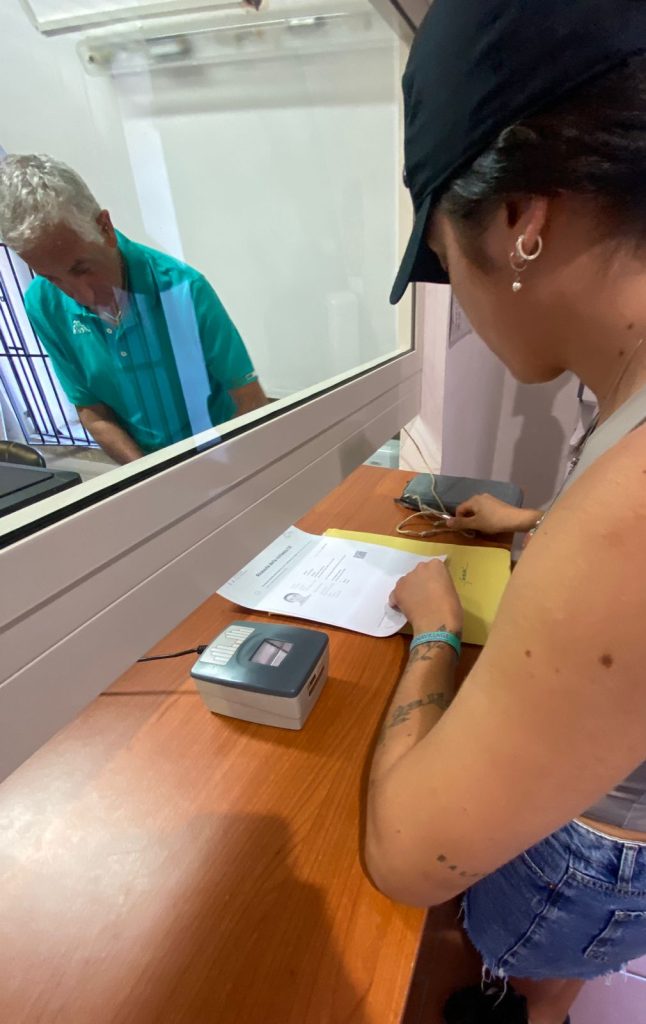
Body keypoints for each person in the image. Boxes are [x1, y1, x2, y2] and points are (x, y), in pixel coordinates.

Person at [363, 3, 646, 1024]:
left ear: (522, 217)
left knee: (500, 974)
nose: (458, 299)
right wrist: (537, 525)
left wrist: (436, 629)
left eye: (444, 259)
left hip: (591, 864)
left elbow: (405, 854)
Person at [0, 154, 267, 463]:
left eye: (82, 268)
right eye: (52, 278)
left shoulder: (182, 288)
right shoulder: (42, 304)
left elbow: (250, 400)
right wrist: (149, 473)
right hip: (145, 463)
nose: (80, 295)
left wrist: (215, 469)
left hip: (223, 450)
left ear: (105, 228)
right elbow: (92, 411)